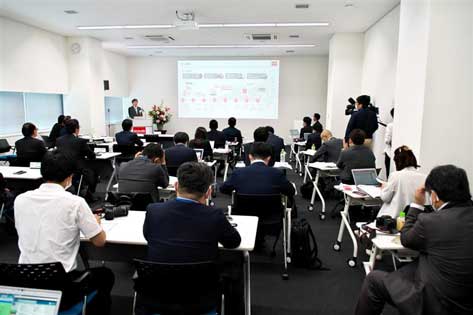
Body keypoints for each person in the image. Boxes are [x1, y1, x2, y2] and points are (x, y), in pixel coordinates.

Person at [355, 165, 473, 315]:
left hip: (439, 302)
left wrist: (417, 204)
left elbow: (406, 239)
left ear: (435, 196)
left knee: (373, 280)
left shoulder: (431, 222)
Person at [14, 151, 114, 314]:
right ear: (70, 176)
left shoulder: (20, 200)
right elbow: (99, 241)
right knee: (105, 275)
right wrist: (94, 223)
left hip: (25, 281)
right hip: (62, 286)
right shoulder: (75, 203)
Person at [377, 146, 426, 218]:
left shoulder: (396, 176)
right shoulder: (424, 177)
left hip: (395, 217)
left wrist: (383, 188)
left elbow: (385, 198)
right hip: (416, 217)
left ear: (397, 162)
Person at [56, 119, 97, 201]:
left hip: (62, 168)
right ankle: (89, 194)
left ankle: (79, 187)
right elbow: (91, 155)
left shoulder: (59, 140)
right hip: (77, 169)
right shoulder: (80, 141)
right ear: (76, 129)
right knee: (94, 173)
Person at [384, 108, 394, 178]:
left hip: (389, 152)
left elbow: (387, 140)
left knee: (389, 174)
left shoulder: (390, 125)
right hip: (401, 154)